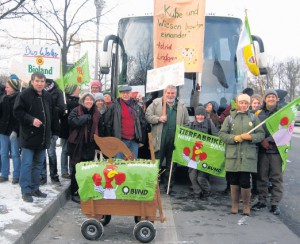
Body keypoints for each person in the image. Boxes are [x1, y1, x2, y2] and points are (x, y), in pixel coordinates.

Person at [13, 72, 59, 202]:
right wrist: (31, 120)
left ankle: (35, 188)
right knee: (27, 164)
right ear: (32, 81)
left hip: (43, 137)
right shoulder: (24, 95)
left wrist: (55, 131)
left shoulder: (48, 96)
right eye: (37, 81)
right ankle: (25, 190)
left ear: (45, 83)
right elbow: (17, 112)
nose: (40, 83)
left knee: (38, 164)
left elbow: (53, 115)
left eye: (42, 81)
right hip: (29, 137)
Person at [219, 93, 264, 215]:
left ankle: (245, 205)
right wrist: (234, 138)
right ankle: (234, 204)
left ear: (249, 105)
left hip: (247, 156)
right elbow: (222, 134)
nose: (243, 105)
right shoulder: (230, 118)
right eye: (241, 103)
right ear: (237, 104)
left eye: (246, 103)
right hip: (233, 155)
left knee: (245, 181)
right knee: (233, 181)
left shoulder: (254, 118)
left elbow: (261, 134)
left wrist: (250, 137)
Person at [145, 85, 190, 194]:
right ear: (164, 93)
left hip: (174, 141)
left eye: (172, 93)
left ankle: (169, 187)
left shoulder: (181, 106)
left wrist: (183, 134)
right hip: (160, 139)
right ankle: (154, 188)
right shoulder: (156, 103)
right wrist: (158, 119)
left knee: (171, 165)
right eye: (168, 93)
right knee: (157, 164)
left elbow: (187, 123)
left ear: (176, 94)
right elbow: (147, 116)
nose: (170, 95)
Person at [251, 89, 284, 215]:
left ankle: (275, 204)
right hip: (262, 151)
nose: (270, 99)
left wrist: (269, 140)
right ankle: (262, 200)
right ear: (265, 99)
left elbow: (284, 130)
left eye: (273, 97)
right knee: (261, 177)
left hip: (276, 151)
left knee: (276, 178)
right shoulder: (259, 113)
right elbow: (254, 129)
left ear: (277, 99)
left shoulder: (282, 113)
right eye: (268, 97)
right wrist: (261, 141)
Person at [68, 92, 99, 203]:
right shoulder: (76, 110)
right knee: (77, 169)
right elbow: (72, 122)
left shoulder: (96, 112)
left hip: (90, 145)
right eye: (87, 99)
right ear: (82, 101)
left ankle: (85, 191)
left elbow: (100, 126)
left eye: (91, 100)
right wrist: (85, 118)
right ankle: (74, 192)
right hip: (77, 145)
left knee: (87, 170)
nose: (89, 101)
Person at [109, 85, 146, 159]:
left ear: (131, 93)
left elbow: (143, 123)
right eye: (123, 93)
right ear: (120, 94)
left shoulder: (137, 106)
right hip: (120, 141)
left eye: (127, 93)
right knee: (119, 165)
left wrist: (141, 140)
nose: (125, 95)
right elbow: (108, 124)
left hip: (134, 141)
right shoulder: (114, 106)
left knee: (132, 165)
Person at [189, 106, 218, 198]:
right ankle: (197, 192)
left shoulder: (209, 124)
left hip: (205, 155)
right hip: (193, 155)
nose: (200, 117)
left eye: (202, 115)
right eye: (198, 115)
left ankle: (207, 191)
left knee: (201, 177)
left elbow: (216, 137)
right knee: (192, 176)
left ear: (205, 115)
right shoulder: (190, 125)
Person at [40, 78, 65, 185]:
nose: (41, 84)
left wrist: (49, 108)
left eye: (43, 82)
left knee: (51, 152)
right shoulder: (38, 92)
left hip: (51, 127)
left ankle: (54, 175)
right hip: (40, 127)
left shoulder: (57, 92)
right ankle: (42, 176)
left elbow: (61, 109)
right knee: (41, 153)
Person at [0, 75, 21, 184]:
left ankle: (16, 175)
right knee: (3, 153)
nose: (6, 89)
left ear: (13, 88)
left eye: (8, 87)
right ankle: (4, 174)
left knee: (15, 154)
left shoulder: (20, 98)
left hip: (14, 132)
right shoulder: (4, 98)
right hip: (3, 131)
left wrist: (16, 130)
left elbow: (20, 117)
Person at [59, 84, 80, 179]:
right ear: (72, 91)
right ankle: (64, 171)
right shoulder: (64, 101)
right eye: (77, 89)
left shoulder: (79, 101)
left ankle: (72, 170)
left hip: (75, 130)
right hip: (65, 130)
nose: (79, 91)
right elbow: (60, 115)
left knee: (73, 152)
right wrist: (63, 110)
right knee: (65, 150)